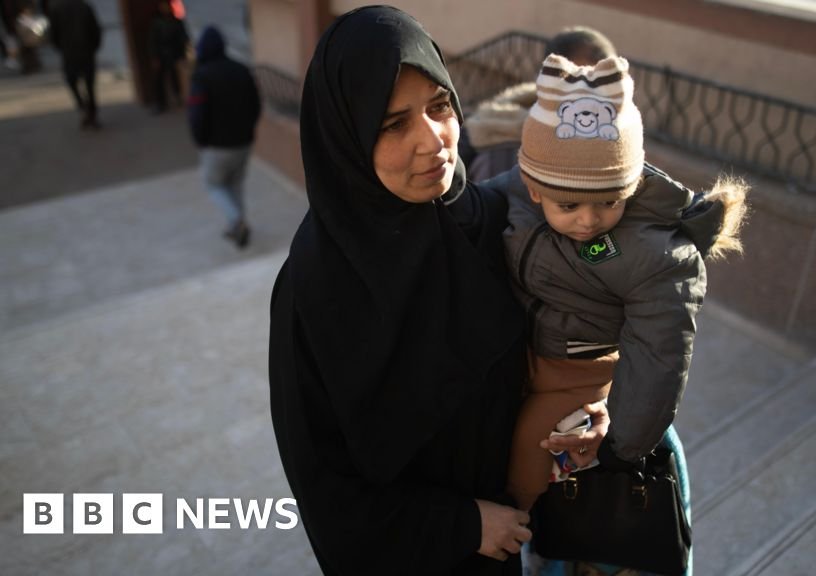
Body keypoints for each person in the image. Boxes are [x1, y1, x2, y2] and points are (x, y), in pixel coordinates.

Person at [268, 6, 598, 575]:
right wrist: (463, 524)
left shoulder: (491, 222)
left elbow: (548, 362)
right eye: (393, 124)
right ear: (345, 140)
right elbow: (325, 491)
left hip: (507, 547)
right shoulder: (314, 291)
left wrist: (579, 421)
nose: (434, 141)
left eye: (439, 106)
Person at [490, 53, 747, 574]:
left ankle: (520, 538)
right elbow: (467, 205)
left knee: (529, 464)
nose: (590, 221)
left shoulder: (655, 253)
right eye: (569, 207)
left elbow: (659, 359)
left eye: (608, 202)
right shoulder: (514, 197)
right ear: (535, 189)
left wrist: (620, 447)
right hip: (516, 361)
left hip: (580, 379)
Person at [460, 26, 616, 182]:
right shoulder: (506, 150)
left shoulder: (612, 140)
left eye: (610, 81)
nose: (598, 95)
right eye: (585, 83)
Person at [187, 26, 261, 248]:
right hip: (244, 142)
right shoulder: (241, 69)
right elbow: (256, 105)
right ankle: (236, 226)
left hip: (216, 146)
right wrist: (248, 130)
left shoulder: (201, 76)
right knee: (235, 185)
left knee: (215, 186)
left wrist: (200, 140)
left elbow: (197, 115)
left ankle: (237, 220)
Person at [48, 0, 101, 129]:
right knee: (89, 85)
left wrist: (61, 48)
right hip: (86, 51)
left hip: (69, 53)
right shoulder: (84, 7)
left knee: (72, 82)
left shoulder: (57, 9)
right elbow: (96, 30)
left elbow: (53, 35)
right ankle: (91, 112)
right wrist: (93, 47)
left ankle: (83, 107)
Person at [148, 0, 187, 113]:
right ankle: (160, 103)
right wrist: (155, 56)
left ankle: (177, 97)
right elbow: (152, 41)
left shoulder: (176, 21)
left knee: (175, 77)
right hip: (161, 54)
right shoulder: (157, 22)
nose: (165, 8)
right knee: (159, 79)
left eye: (167, 6)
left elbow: (182, 38)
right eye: (163, 6)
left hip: (173, 53)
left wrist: (182, 54)